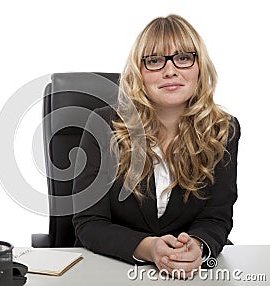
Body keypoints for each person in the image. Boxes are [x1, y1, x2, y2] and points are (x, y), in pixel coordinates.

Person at [72, 14, 240, 279]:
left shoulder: (222, 129)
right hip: (112, 271)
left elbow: (217, 216)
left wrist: (197, 247)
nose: (170, 70)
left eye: (183, 58)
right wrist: (150, 249)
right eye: (155, 61)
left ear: (200, 67)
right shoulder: (104, 125)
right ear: (139, 73)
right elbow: (89, 223)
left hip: (192, 275)